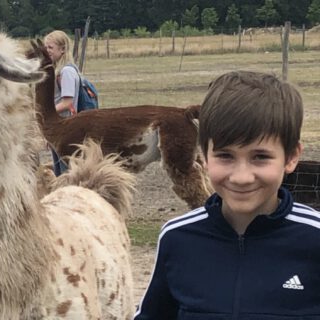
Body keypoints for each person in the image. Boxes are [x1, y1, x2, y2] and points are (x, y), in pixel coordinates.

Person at [134, 71, 319, 319]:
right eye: (225, 156)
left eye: (260, 157)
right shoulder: (177, 238)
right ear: (205, 154)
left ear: (291, 156)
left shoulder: (313, 239)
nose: (241, 177)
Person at [43, 30, 81, 175]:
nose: (47, 51)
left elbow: (67, 102)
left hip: (66, 129)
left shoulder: (66, 72)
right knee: (59, 171)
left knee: (66, 172)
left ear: (63, 49)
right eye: (46, 48)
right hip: (58, 128)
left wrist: (45, 113)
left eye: (50, 47)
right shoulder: (58, 71)